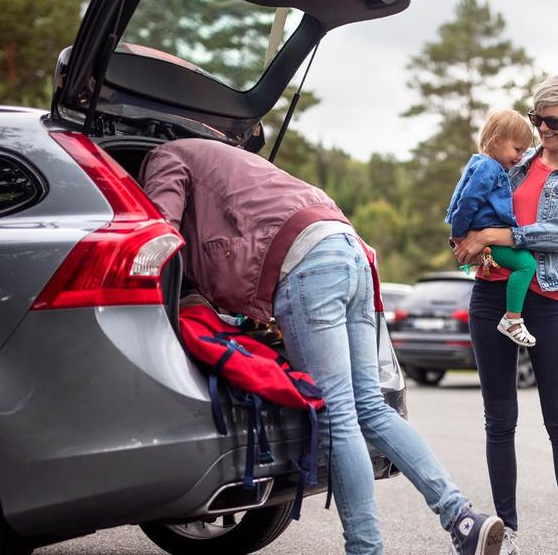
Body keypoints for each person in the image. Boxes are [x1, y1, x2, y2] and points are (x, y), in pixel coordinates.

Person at [141, 138, 504, 555]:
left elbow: (160, 231)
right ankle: (461, 517)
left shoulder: (165, 155)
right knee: (369, 405)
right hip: (352, 252)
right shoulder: (239, 162)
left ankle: (365, 549)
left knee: (338, 415)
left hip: (309, 266)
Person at [452, 74, 558, 555]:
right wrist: (465, 242)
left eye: (552, 120)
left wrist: (491, 238)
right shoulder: (512, 161)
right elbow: (469, 208)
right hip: (489, 298)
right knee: (499, 420)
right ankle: (507, 530)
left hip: (551, 303)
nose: (541, 128)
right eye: (537, 117)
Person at [446, 109, 538, 347]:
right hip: (486, 236)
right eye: (517, 150)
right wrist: (458, 234)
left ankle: (512, 318)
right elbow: (467, 201)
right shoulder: (490, 168)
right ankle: (512, 320)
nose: (520, 157)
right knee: (526, 264)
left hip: (482, 237)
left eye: (524, 151)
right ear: (497, 141)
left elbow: (459, 196)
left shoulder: (477, 163)